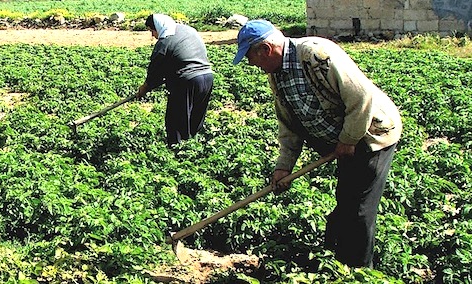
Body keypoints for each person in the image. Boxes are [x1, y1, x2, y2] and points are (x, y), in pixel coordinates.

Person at [233, 19, 402, 268]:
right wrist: (284, 165)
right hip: (342, 145)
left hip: (371, 136)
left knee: (359, 211)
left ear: (266, 50)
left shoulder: (316, 54)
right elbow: (289, 124)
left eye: (250, 56)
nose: (251, 63)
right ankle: (335, 259)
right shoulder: (277, 75)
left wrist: (348, 140)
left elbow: (360, 96)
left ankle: (358, 272)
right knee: (346, 201)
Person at [136, 14, 214, 146]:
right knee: (195, 119)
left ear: (158, 28)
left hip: (187, 81)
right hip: (207, 77)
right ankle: (193, 149)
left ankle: (178, 152)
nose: (153, 35)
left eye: (151, 31)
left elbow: (155, 71)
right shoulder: (187, 30)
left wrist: (145, 87)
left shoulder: (164, 42)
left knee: (176, 121)